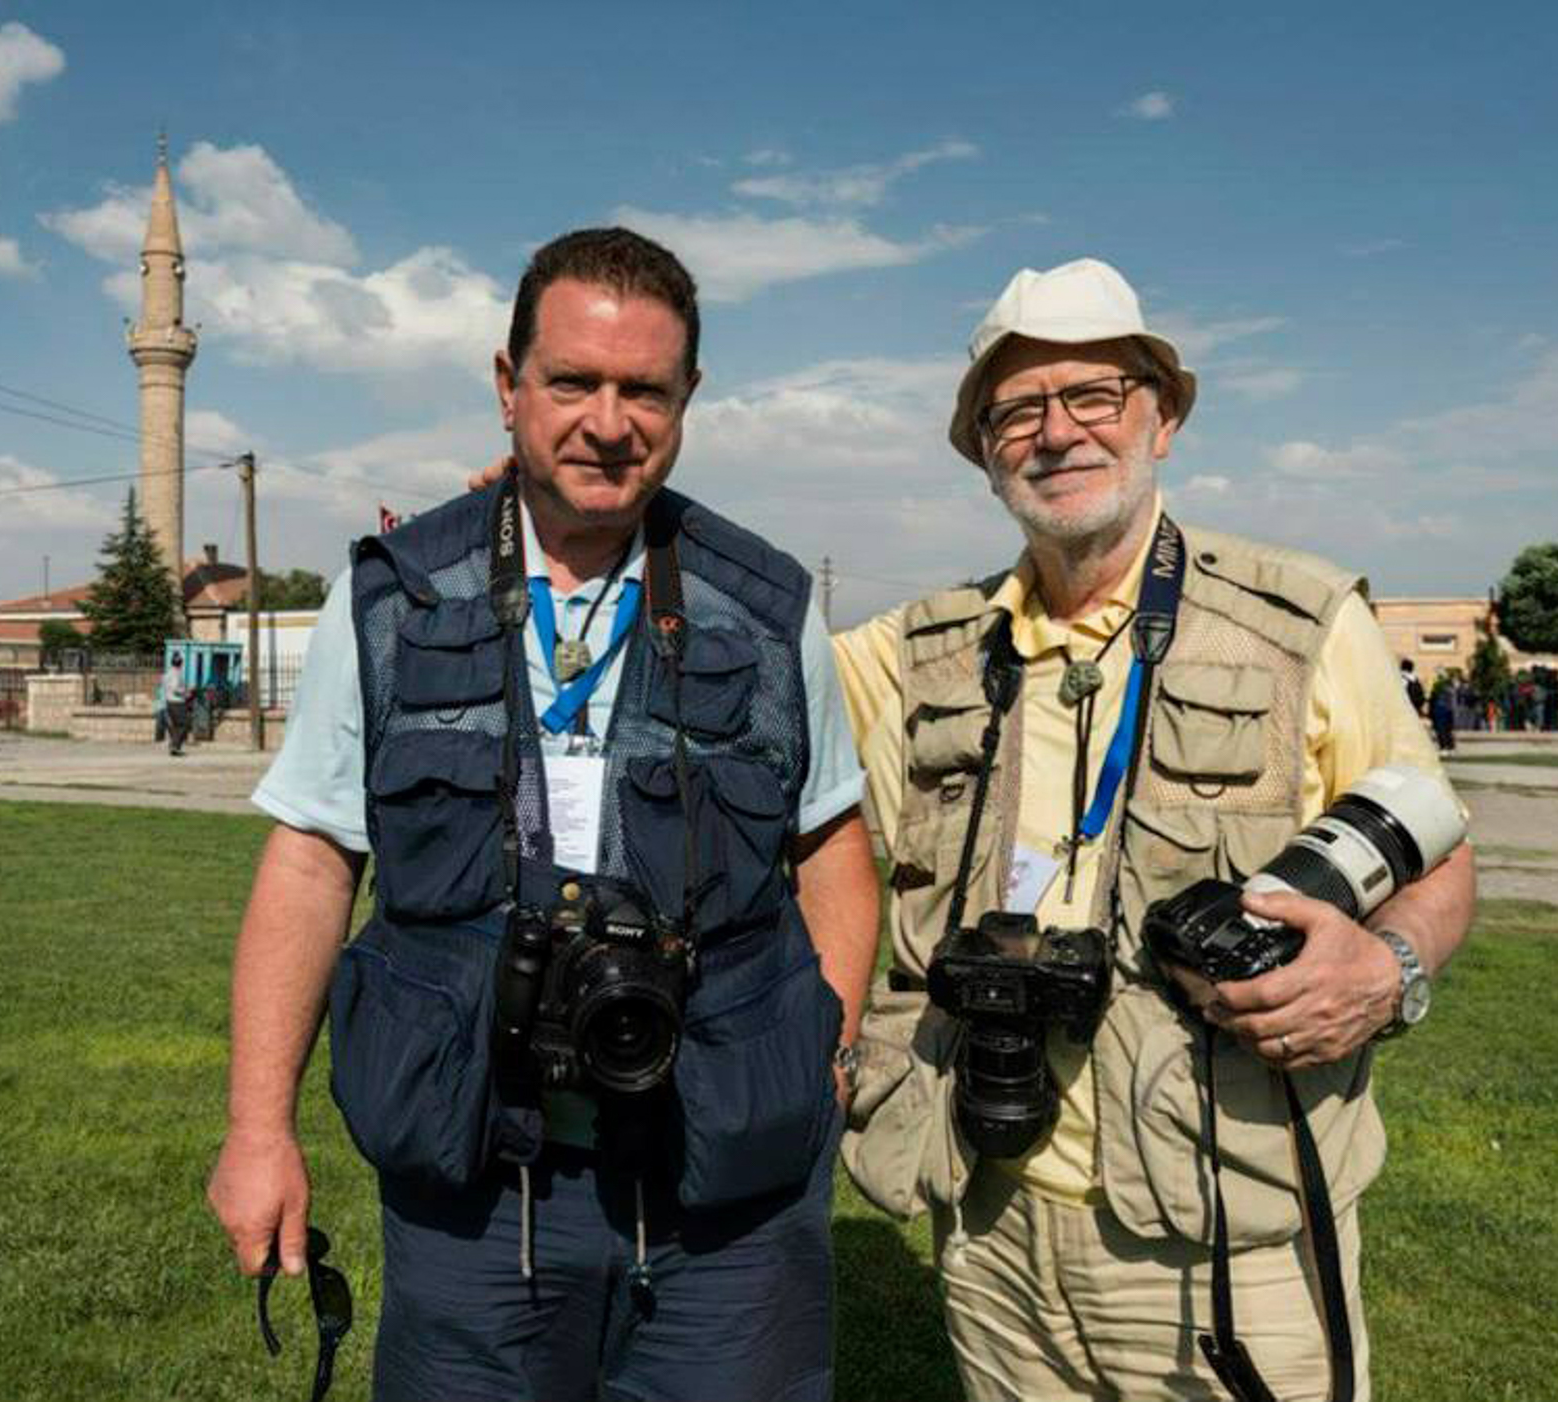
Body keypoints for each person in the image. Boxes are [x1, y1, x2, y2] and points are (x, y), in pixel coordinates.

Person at [207, 227, 878, 1401]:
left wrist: (822, 1061)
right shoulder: (393, 602)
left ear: (687, 398)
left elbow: (831, 850)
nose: (607, 422)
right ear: (507, 383)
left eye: (644, 391)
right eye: (572, 380)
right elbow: (311, 862)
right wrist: (258, 1129)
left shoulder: (765, 609)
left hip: (722, 1195)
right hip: (475, 1179)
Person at [830, 258, 1476, 1402]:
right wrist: (537, 516)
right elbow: (739, 666)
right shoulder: (920, 653)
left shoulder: (1298, 623)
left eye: (1093, 395)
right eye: (1016, 410)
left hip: (1230, 1235)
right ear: (982, 449)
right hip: (988, 1213)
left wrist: (1389, 967)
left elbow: (1439, 851)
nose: (1055, 432)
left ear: (1161, 417)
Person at [160, 652, 192, 756]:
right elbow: (175, 688)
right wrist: (186, 692)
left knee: (176, 725)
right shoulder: (176, 674)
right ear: (181, 663)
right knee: (184, 724)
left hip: (169, 702)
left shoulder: (167, 674)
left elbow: (165, 687)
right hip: (177, 703)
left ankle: (174, 745)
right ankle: (175, 746)